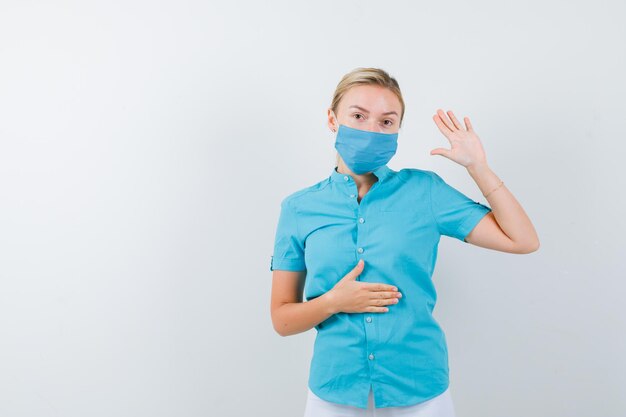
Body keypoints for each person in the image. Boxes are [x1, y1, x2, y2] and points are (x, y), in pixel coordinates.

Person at [269, 67, 540, 417]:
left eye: (386, 121)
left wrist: (478, 167)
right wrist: (334, 301)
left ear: (398, 130)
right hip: (334, 392)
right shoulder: (298, 208)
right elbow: (282, 319)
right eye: (358, 116)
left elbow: (523, 240)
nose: (371, 129)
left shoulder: (425, 191)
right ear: (332, 120)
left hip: (420, 390)